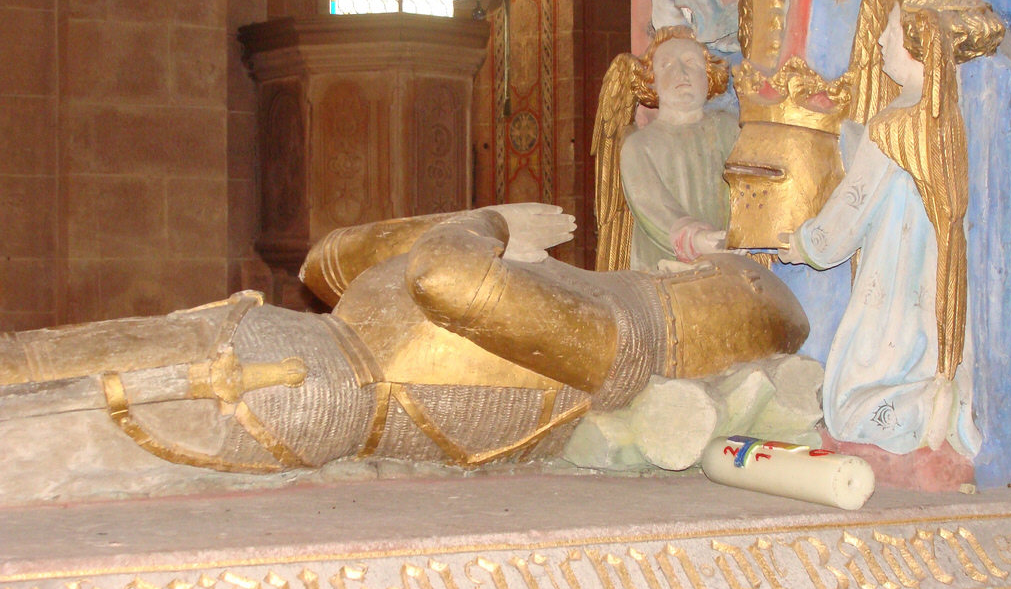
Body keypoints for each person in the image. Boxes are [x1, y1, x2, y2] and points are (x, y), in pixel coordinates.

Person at [0, 204, 807, 502]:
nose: (677, 262)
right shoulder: (588, 298)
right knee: (23, 363)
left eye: (708, 270)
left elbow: (443, 276)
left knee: (34, 423)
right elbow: (330, 261)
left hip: (290, 389)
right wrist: (481, 222)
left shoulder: (615, 337)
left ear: (713, 302)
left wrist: (492, 222)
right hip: (279, 348)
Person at [778, 0, 1004, 455]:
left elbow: (850, 211)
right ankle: (942, 397)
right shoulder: (950, 115)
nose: (880, 39)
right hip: (940, 280)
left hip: (894, 280)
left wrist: (802, 243)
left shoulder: (893, 123)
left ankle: (922, 407)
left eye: (893, 29)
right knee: (926, 357)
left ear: (919, 40)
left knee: (848, 404)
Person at [593, 26, 738, 272]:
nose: (681, 73)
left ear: (709, 76)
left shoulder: (729, 129)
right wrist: (693, 238)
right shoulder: (640, 145)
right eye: (667, 65)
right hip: (663, 266)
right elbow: (652, 204)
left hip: (727, 264)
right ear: (651, 82)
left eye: (691, 63)